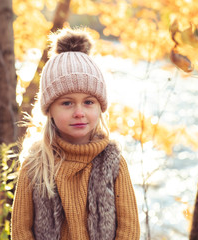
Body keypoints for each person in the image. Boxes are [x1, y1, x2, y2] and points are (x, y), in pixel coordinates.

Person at [11, 28, 140, 240]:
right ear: (49, 109)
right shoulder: (36, 163)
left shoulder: (113, 162)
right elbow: (21, 231)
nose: (79, 112)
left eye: (88, 102)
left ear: (100, 107)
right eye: (67, 103)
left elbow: (129, 230)